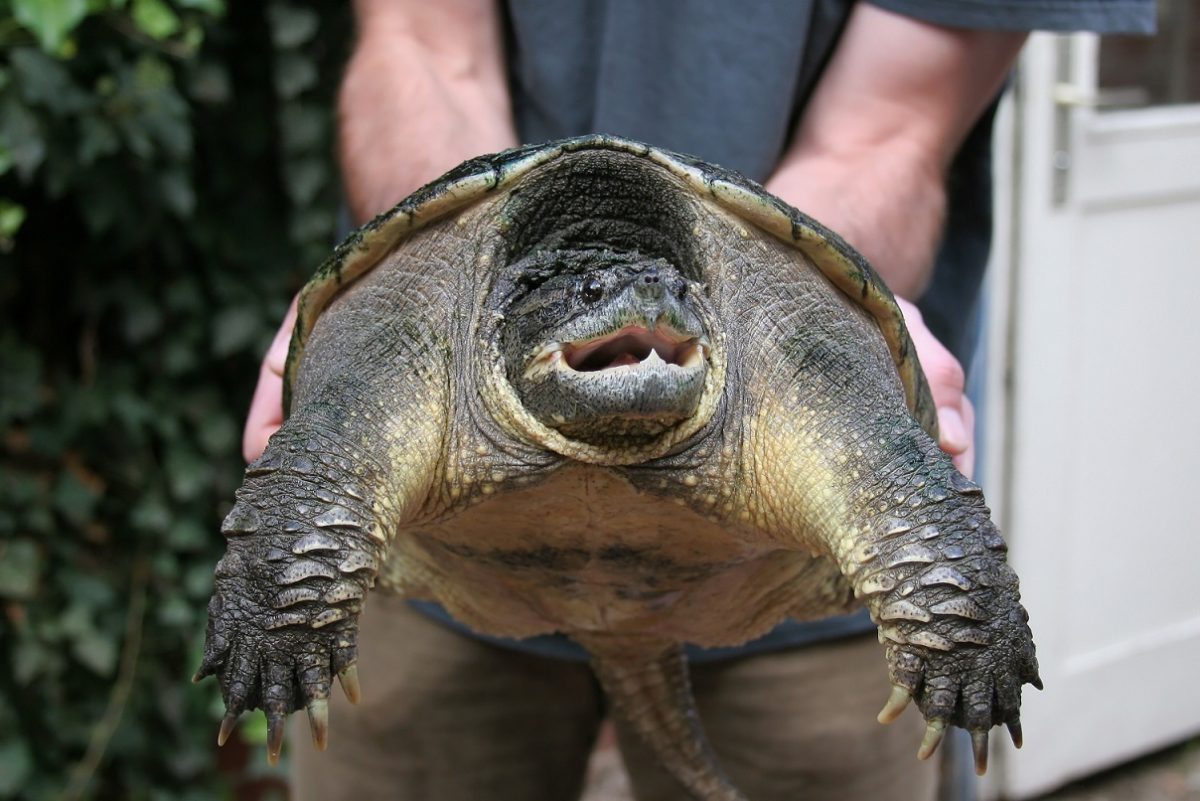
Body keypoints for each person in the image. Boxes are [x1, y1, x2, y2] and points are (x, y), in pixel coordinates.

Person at [242, 2, 1155, 799]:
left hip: (785, 585)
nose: (648, 319)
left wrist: (958, 625)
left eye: (670, 315)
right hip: (438, 575)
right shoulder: (440, 333)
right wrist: (287, 591)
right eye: (603, 311)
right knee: (317, 548)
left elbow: (885, 132)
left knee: (908, 549)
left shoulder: (749, 334)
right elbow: (424, 45)